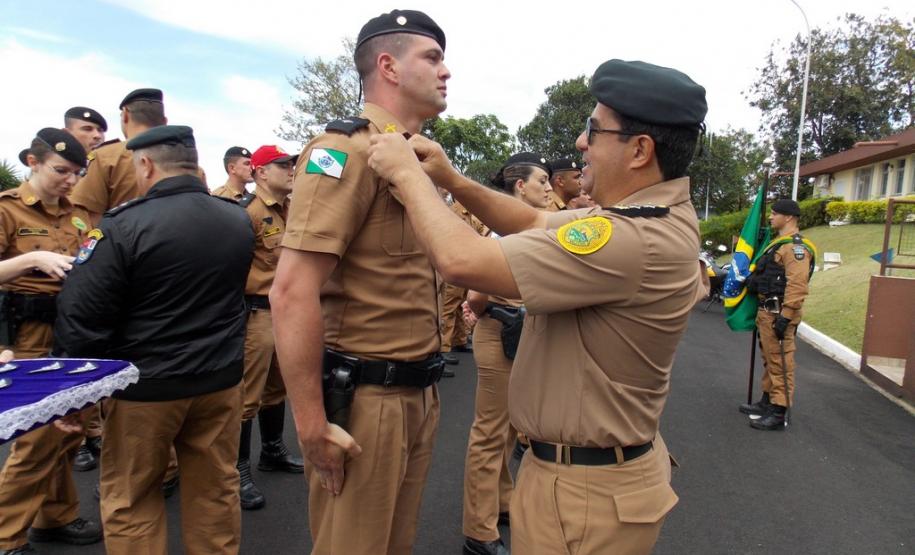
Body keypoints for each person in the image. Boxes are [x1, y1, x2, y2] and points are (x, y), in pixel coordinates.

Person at [366, 58, 708, 554]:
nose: (580, 144)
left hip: (584, 498)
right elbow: (530, 223)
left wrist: (408, 175)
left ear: (639, 149)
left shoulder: (633, 238)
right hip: (589, 480)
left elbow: (462, 260)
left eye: (593, 130)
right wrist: (453, 179)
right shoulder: (646, 216)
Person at [270, 9, 450, 554]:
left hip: (418, 392)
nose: (447, 72)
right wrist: (310, 423)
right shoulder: (346, 149)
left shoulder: (416, 158)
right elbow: (292, 289)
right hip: (366, 402)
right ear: (389, 66)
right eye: (433, 58)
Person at [52, 125, 254, 555]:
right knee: (216, 491)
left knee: (131, 498)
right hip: (219, 381)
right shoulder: (236, 217)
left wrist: (73, 394)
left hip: (145, 390)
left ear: (145, 163)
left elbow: (84, 316)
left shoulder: (123, 225)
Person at [0, 128, 102, 555]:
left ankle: (55, 516)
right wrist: (30, 259)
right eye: (62, 170)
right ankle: (6, 537)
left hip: (70, 333)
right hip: (27, 334)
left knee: (67, 433)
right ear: (33, 161)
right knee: (37, 439)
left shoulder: (78, 215)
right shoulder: (7, 210)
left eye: (77, 173)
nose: (70, 180)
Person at [461, 152, 552, 555]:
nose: (548, 188)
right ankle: (478, 531)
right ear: (520, 187)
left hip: (523, 330)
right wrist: (478, 308)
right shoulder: (505, 230)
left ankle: (500, 502)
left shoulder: (529, 226)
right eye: (542, 181)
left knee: (510, 428)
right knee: (490, 431)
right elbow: (477, 288)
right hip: (501, 330)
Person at [234, 145, 303, 511]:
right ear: (261, 172)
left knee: (277, 387)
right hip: (257, 313)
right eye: (282, 165)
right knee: (248, 394)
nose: (290, 169)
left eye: (291, 164)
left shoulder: (292, 209)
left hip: (287, 313)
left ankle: (272, 450)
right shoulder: (247, 213)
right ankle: (237, 469)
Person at [740, 199, 815, 430]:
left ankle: (778, 410)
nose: (771, 217)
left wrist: (786, 315)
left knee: (781, 362)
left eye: (775, 214)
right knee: (770, 359)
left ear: (789, 217)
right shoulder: (777, 244)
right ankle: (767, 401)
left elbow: (797, 284)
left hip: (778, 312)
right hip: (766, 312)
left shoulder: (795, 248)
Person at [69, 88, 167, 223]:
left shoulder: (106, 157)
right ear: (164, 121)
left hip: (120, 242)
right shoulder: (189, 164)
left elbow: (90, 218)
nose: (97, 135)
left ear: (125, 115)